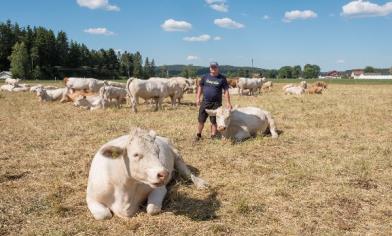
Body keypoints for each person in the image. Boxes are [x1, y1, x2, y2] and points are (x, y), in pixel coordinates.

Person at [195, 62, 232, 141]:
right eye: (212, 67)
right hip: (205, 102)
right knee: (201, 120)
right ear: (210, 68)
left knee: (214, 121)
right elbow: (200, 87)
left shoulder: (222, 78)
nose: (213, 69)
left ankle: (213, 136)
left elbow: (226, 91)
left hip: (216, 103)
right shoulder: (205, 77)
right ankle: (198, 135)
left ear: (218, 68)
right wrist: (198, 97)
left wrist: (228, 102)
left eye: (215, 67)